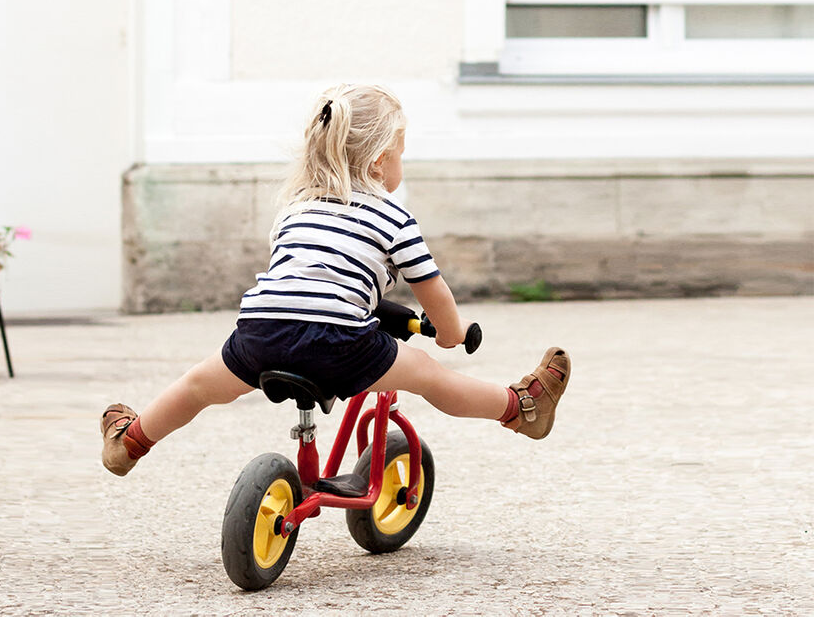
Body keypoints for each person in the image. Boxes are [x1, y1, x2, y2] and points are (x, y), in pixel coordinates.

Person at [100, 84, 570, 477]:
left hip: (261, 330)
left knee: (198, 385)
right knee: (431, 376)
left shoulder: (295, 208)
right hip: (340, 340)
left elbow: (305, 277)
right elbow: (433, 289)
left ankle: (132, 442)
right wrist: (450, 332)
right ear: (382, 161)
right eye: (401, 155)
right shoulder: (394, 217)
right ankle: (522, 408)